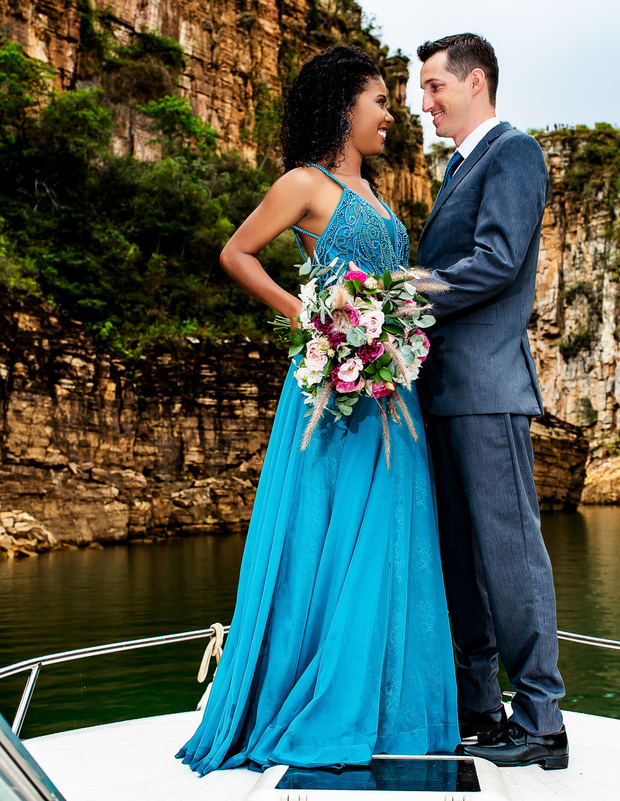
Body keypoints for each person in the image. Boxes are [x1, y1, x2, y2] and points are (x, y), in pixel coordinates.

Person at [176, 45, 459, 775]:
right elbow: (237, 253)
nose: (392, 116)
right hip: (330, 394)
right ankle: (317, 698)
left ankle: (386, 704)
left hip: (391, 393)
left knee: (389, 542)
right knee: (326, 541)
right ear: (345, 108)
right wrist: (309, 315)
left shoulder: (377, 198)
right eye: (380, 102)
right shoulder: (304, 184)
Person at [414, 33, 569, 770]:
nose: (425, 102)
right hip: (440, 392)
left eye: (434, 87)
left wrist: (404, 293)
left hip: (486, 388)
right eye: (420, 90)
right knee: (459, 557)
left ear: (475, 82)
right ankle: (478, 705)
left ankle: (542, 718)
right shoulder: (457, 167)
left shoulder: (514, 152)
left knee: (510, 553)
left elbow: (499, 261)